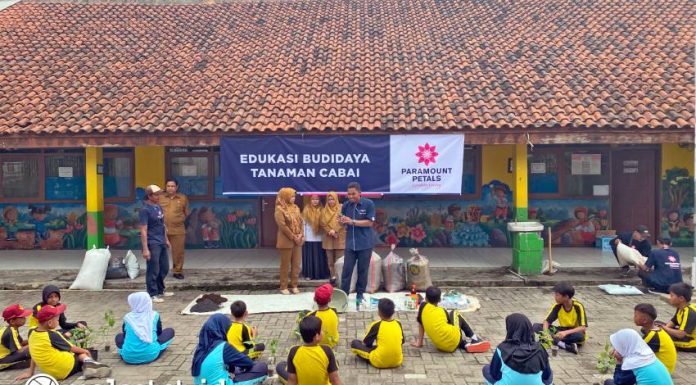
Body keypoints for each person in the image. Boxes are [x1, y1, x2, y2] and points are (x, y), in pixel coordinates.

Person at [16, 305, 111, 381]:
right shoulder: (51, 335)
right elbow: (72, 348)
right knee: (85, 353)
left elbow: (33, 352)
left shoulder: (31, 331)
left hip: (51, 372)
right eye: (57, 320)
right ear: (49, 323)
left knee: (68, 350)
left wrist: (30, 372)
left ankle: (87, 365)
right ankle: (91, 366)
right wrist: (86, 351)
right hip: (65, 369)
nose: (58, 322)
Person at [192, 314, 267, 385]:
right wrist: (253, 336)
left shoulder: (200, 348)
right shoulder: (223, 346)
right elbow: (248, 363)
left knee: (234, 368)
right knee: (262, 367)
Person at [411, 286, 490, 353]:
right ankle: (474, 338)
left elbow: (420, 324)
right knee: (455, 313)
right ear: (439, 300)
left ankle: (465, 345)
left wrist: (419, 342)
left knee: (450, 335)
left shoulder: (422, 307)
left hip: (440, 346)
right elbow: (451, 325)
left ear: (426, 298)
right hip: (452, 339)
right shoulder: (442, 310)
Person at [482, 313, 553, 385]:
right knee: (550, 374)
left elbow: (495, 375)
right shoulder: (540, 349)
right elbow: (546, 375)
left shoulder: (502, 348)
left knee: (486, 369)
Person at [338, 182, 375, 306]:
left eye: (353, 194)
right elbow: (343, 224)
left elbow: (370, 223)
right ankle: (343, 296)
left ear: (360, 193)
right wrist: (341, 221)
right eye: (348, 194)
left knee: (362, 271)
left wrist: (352, 221)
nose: (350, 196)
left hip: (365, 244)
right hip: (350, 244)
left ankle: (360, 295)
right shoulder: (346, 206)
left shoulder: (368, 204)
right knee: (346, 271)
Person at [276, 316, 343, 385]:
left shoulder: (294, 352)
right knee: (334, 365)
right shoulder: (326, 351)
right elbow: (335, 380)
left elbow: (292, 381)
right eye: (321, 330)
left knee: (281, 366)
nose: (323, 332)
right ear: (317, 336)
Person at [115, 292, 175, 365]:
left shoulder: (127, 317)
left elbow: (125, 336)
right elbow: (159, 333)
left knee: (119, 336)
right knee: (170, 331)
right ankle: (150, 349)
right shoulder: (154, 315)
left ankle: (131, 351)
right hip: (151, 354)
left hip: (128, 357)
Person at [140, 184, 173, 303]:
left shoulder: (158, 207)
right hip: (152, 242)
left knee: (164, 267)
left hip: (161, 241)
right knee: (153, 269)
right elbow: (143, 230)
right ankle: (152, 293)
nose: (159, 196)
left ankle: (160, 289)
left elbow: (162, 225)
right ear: (149, 196)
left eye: (160, 194)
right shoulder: (145, 210)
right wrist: (145, 249)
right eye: (156, 194)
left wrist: (166, 240)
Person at [603, 329, 673, 385]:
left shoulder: (633, 363)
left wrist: (619, 361)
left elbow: (618, 382)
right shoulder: (647, 355)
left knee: (608, 382)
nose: (615, 349)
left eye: (617, 346)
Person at [533, 282, 587, 354]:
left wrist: (565, 333)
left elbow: (583, 327)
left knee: (580, 336)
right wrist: (546, 333)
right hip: (561, 330)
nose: (555, 297)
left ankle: (553, 341)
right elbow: (547, 322)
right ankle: (564, 345)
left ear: (566, 297)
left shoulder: (578, 306)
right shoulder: (557, 306)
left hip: (573, 332)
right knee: (536, 326)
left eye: (557, 295)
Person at [350, 298, 404, 369]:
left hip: (379, 361)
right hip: (398, 361)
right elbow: (402, 342)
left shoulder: (376, 325)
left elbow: (367, 343)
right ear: (393, 312)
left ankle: (376, 357)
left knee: (355, 343)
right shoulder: (398, 323)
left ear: (379, 312)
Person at [275, 187, 304, 295]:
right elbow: (282, 226)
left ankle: (294, 285)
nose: (293, 198)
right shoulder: (279, 209)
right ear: (285, 197)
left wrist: (301, 234)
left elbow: (301, 222)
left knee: (296, 264)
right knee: (285, 265)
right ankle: (283, 286)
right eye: (291, 196)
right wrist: (293, 237)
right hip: (286, 241)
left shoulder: (296, 208)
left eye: (294, 196)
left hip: (297, 240)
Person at [634, 303, 676, 373]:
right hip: (663, 368)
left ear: (644, 320)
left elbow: (636, 353)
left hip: (663, 371)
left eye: (636, 316)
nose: (634, 317)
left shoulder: (653, 336)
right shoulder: (656, 330)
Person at [160, 179, 189, 280]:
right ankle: (160, 271)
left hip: (178, 229)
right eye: (168, 186)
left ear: (177, 187)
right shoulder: (160, 197)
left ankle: (177, 271)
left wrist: (179, 220)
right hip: (161, 229)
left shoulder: (182, 198)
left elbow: (186, 212)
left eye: (172, 186)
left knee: (178, 252)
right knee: (159, 251)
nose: (170, 188)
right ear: (165, 187)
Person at [659, 282, 696, 352]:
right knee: (655, 326)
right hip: (684, 334)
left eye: (672, 296)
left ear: (681, 298)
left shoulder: (690, 312)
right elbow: (674, 321)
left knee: (659, 338)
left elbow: (681, 334)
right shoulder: (681, 307)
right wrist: (664, 328)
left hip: (692, 342)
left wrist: (664, 329)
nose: (670, 298)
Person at [302, 194, 329, 280]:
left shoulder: (323, 210)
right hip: (309, 238)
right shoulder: (306, 210)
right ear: (310, 200)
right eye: (313, 199)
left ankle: (320, 274)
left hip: (320, 238)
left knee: (320, 257)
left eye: (317, 199)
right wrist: (303, 236)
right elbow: (303, 224)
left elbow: (325, 224)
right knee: (310, 258)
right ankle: (309, 275)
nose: (315, 201)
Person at [321, 191, 345, 285]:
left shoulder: (342, 208)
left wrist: (335, 230)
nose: (331, 201)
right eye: (329, 199)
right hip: (328, 238)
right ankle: (333, 276)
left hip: (339, 236)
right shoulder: (324, 210)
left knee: (339, 259)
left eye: (333, 199)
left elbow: (343, 221)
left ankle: (340, 277)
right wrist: (330, 231)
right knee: (330, 260)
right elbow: (322, 223)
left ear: (336, 199)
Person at [306, 284, 339, 349]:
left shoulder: (311, 315)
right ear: (330, 300)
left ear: (314, 299)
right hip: (332, 342)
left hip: (318, 344)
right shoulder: (334, 311)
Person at [0, 304, 32, 371]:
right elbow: (19, 351)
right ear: (12, 321)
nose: (25, 318)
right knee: (29, 352)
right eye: (22, 317)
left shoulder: (13, 328)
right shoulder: (10, 332)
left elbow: (21, 343)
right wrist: (34, 344)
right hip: (2, 360)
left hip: (7, 356)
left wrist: (34, 339)